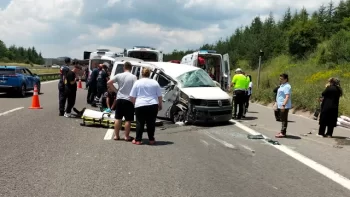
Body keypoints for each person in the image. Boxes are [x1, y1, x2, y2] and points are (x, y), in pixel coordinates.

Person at [129, 67, 162, 145]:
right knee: (151, 122)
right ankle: (151, 139)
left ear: (141, 74)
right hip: (153, 104)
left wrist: (134, 103)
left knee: (140, 122)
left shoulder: (137, 82)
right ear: (149, 74)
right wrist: (160, 105)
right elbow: (159, 96)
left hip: (140, 104)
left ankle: (138, 140)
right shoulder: (155, 82)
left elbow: (132, 96)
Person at [107, 61, 136, 141]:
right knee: (128, 119)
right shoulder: (133, 77)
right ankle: (126, 136)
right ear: (131, 68)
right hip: (128, 100)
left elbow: (109, 82)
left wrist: (116, 91)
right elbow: (135, 88)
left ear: (124, 67)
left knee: (118, 118)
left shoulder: (119, 75)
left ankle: (116, 136)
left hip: (119, 99)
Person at [275, 73, 292, 138]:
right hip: (280, 105)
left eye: (282, 79)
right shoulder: (282, 85)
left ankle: (283, 132)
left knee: (284, 119)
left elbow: (287, 96)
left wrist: (283, 105)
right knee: (282, 119)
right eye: (280, 78)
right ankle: (282, 131)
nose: (280, 80)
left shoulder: (287, 86)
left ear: (286, 79)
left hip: (284, 105)